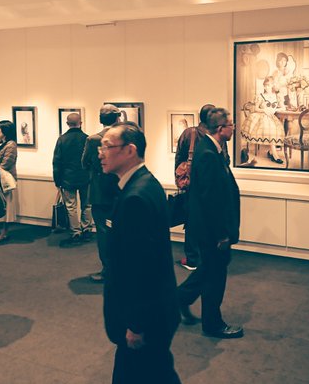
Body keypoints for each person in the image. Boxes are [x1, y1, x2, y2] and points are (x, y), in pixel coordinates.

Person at [98, 122, 181, 384]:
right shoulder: (145, 183)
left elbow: (141, 268)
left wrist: (136, 324)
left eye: (107, 146)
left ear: (129, 150)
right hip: (156, 310)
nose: (101, 153)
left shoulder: (135, 197)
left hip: (145, 318)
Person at [176, 108, 243, 339]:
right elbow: (210, 199)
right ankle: (213, 324)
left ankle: (179, 298)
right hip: (212, 231)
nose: (233, 128)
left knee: (209, 269)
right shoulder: (207, 153)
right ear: (221, 128)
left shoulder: (212, 149)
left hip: (209, 228)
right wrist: (222, 234)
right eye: (231, 125)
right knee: (215, 276)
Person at [173, 103, 224, 272]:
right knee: (210, 220)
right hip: (212, 186)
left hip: (192, 185)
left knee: (192, 221)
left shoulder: (189, 133)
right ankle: (208, 257)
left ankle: (192, 258)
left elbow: (179, 157)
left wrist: (179, 179)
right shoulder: (218, 136)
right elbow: (225, 161)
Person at [81, 104, 122, 282]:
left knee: (104, 232)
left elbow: (84, 163)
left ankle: (108, 270)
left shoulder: (93, 140)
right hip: (122, 189)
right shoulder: (126, 136)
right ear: (118, 118)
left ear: (100, 119)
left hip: (100, 191)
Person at [53, 112, 93, 247]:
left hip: (67, 178)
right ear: (80, 123)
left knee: (71, 206)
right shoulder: (87, 139)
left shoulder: (62, 140)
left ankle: (76, 232)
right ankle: (87, 230)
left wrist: (57, 180)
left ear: (67, 124)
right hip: (85, 177)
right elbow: (91, 160)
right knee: (87, 205)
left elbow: (57, 162)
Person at [239, 76, 286, 164]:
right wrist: (264, 110)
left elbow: (283, 107)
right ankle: (275, 155)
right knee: (271, 129)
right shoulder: (260, 96)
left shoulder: (277, 96)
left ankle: (271, 152)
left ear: (272, 85)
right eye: (265, 85)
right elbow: (256, 108)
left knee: (275, 129)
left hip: (272, 117)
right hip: (261, 117)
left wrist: (274, 110)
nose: (266, 87)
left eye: (268, 85)